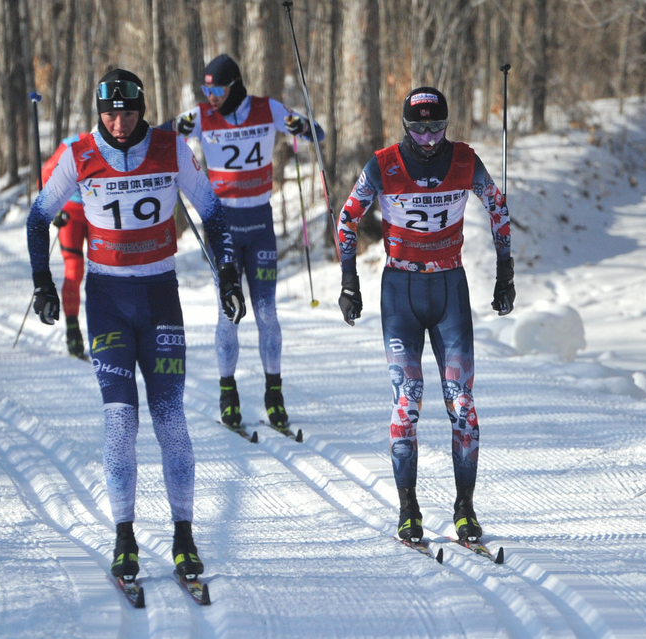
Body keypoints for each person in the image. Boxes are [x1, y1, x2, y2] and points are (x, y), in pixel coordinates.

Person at [26, 69, 246, 583]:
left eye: (127, 112)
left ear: (142, 108)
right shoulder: (79, 155)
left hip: (160, 298)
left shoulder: (169, 148)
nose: (118, 123)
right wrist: (44, 280)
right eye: (109, 113)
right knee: (121, 422)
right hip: (108, 302)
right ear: (97, 112)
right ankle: (124, 539)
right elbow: (40, 216)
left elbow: (211, 212)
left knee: (171, 422)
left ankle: (184, 537)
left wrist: (229, 276)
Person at [335, 87, 516, 543]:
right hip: (401, 292)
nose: (430, 139)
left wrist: (505, 275)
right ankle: (408, 509)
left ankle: (465, 509)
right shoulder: (383, 164)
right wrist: (348, 283)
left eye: (438, 127)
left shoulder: (465, 161)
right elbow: (346, 220)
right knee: (407, 401)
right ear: (405, 127)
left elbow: (498, 208)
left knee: (462, 405)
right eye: (419, 128)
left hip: (449, 288)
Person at [164, 53, 323, 433]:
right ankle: (228, 393)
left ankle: (274, 394)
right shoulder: (202, 116)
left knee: (267, 311)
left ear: (234, 86)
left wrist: (303, 126)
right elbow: (158, 136)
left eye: (216, 89)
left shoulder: (267, 109)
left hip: (260, 223)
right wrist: (170, 137)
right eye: (206, 90)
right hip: (223, 226)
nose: (211, 96)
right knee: (229, 313)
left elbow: (317, 133)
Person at [41, 132, 91, 359]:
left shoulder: (119, 146)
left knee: (106, 270)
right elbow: (46, 172)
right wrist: (54, 207)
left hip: (98, 213)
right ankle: (73, 329)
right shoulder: (73, 143)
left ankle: (109, 331)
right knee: (74, 269)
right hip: (71, 211)